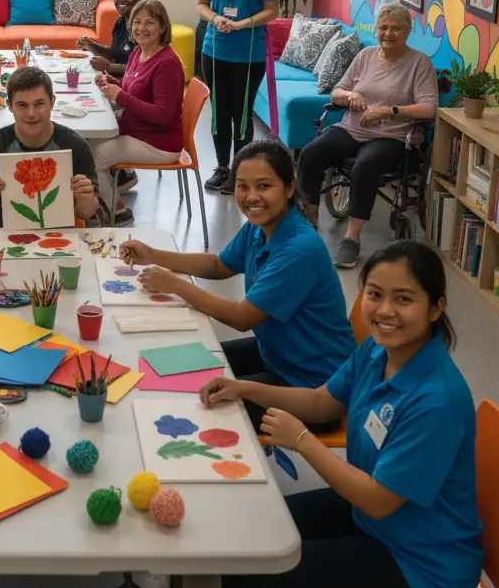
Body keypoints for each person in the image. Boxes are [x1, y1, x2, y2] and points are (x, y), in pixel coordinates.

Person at [209, 240, 483, 588]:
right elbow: (322, 402)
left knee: (257, 563)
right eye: (374, 294)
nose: (385, 310)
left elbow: (378, 501)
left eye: (403, 299)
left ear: (435, 308)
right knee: (250, 529)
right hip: (375, 522)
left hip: (422, 572)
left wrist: (301, 440)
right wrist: (245, 388)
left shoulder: (436, 400)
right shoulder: (377, 351)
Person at [121, 139, 354, 430]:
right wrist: (155, 256)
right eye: (243, 186)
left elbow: (243, 317)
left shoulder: (299, 249)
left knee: (197, 402)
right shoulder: (260, 228)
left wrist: (176, 285)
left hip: (312, 385)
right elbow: (220, 265)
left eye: (264, 186)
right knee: (176, 366)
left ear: (290, 188)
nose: (252, 196)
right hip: (276, 354)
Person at [298, 2, 438, 270]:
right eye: (383, 28)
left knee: (366, 165)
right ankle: (308, 225)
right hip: (352, 128)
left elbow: (429, 108)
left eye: (395, 28)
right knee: (310, 154)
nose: (388, 33)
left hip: (392, 136)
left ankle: (351, 239)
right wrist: (350, 95)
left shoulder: (419, 63)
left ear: (407, 32)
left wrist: (390, 110)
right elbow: (336, 92)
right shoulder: (365, 56)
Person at [197, 0, 281, 193]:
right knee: (219, 113)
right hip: (214, 49)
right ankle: (222, 167)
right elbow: (201, 4)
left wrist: (243, 23)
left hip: (248, 54)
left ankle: (239, 172)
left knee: (241, 114)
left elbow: (272, 10)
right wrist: (215, 18)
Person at [91, 0, 185, 226]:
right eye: (137, 22)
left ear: (163, 26)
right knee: (82, 139)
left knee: (90, 157)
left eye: (150, 22)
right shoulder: (138, 52)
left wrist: (120, 96)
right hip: (137, 130)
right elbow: (134, 84)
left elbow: (163, 115)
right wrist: (112, 82)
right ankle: (113, 186)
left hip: (159, 143)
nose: (142, 28)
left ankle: (118, 210)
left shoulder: (167, 64)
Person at [0, 66, 99, 227]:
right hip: (3, 234)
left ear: (52, 102)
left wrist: (85, 198)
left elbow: (86, 212)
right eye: (22, 105)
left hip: (60, 235)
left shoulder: (76, 145)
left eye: (39, 104)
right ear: (9, 106)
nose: (31, 113)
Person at [77, 0, 149, 77]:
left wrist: (110, 67)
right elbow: (115, 53)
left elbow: (145, 66)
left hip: (135, 83)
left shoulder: (144, 28)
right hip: (115, 79)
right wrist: (91, 45)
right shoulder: (120, 22)